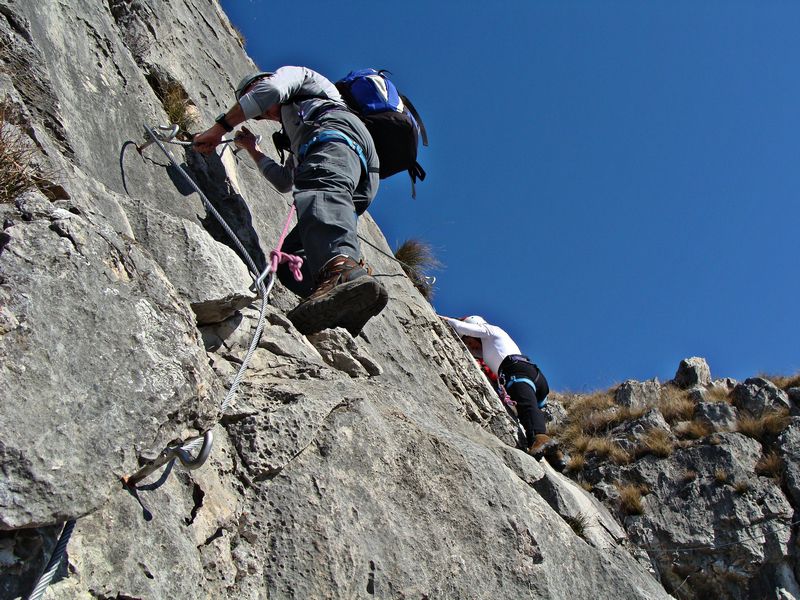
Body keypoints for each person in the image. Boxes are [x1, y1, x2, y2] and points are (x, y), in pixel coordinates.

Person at [193, 66, 387, 336]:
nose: (264, 114)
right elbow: (286, 181)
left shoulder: (296, 79)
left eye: (256, 104)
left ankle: (342, 271)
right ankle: (342, 300)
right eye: (260, 114)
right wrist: (253, 150)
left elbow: (270, 91)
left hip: (338, 138)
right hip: (355, 166)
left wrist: (219, 128)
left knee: (320, 188)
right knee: (292, 259)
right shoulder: (299, 129)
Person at [441, 315, 562, 465]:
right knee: (527, 414)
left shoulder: (490, 331)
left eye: (469, 340)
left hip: (517, 371)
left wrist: (441, 318)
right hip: (531, 375)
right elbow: (473, 353)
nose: (471, 345)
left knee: (526, 407)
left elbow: (459, 327)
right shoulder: (489, 346)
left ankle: (541, 438)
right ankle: (555, 456)